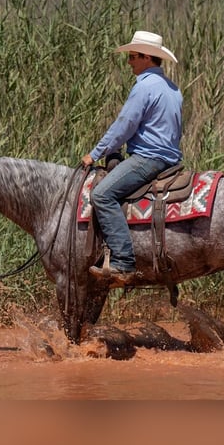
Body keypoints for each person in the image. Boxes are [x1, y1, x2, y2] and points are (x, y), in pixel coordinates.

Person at [82, 30, 183, 282]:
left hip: (149, 158)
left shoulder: (144, 87)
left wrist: (94, 154)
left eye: (133, 57)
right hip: (170, 158)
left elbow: (124, 125)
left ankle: (123, 261)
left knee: (102, 194)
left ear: (147, 58)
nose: (129, 62)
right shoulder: (172, 88)